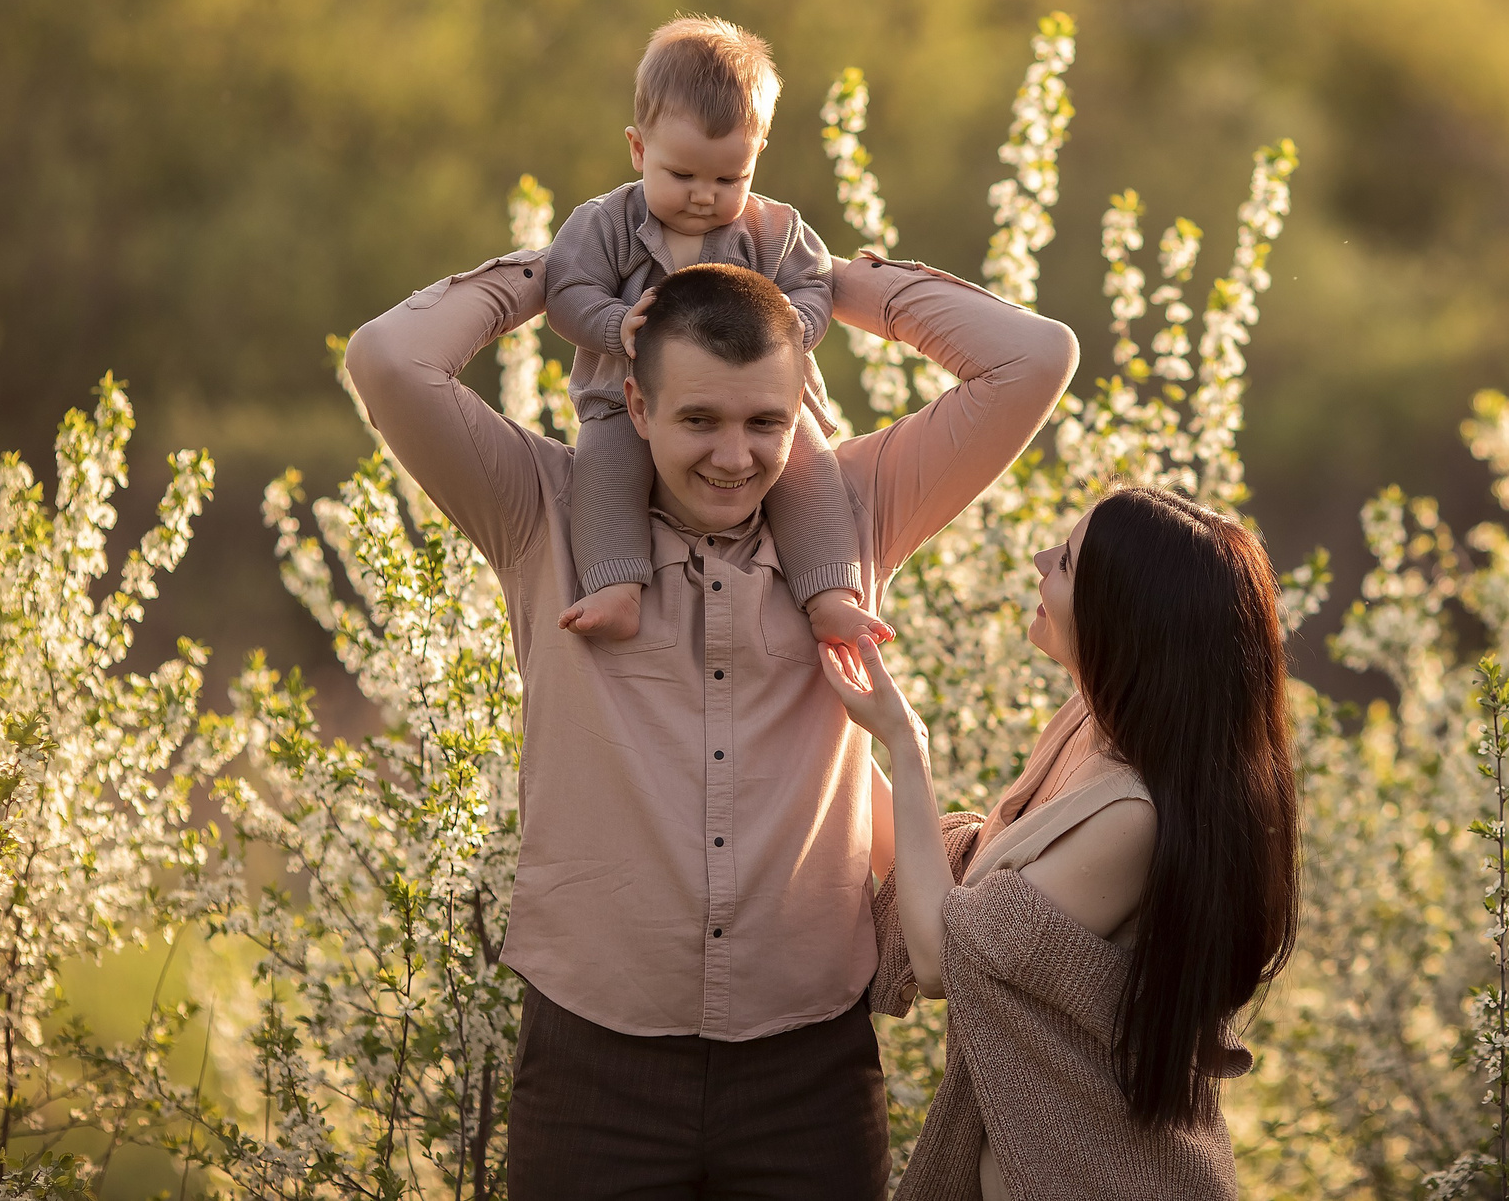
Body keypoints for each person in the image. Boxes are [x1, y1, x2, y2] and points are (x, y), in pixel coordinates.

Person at [344, 246, 1077, 1199]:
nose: (735, 458)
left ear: (800, 412)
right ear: (637, 408)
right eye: (698, 419)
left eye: (765, 422)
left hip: (806, 1068)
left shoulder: (853, 517)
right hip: (592, 1065)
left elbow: (1035, 357)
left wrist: (814, 277)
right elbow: (387, 359)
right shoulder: (541, 511)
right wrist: (576, 266)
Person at [827, 485, 1301, 1201]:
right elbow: (948, 879)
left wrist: (905, 740)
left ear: (1125, 619)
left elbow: (939, 953)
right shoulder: (1088, 725)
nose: (1040, 560)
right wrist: (824, 732)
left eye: (1069, 563)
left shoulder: (1133, 818)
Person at [542, 14, 887, 654]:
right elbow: (565, 292)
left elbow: (815, 285)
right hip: (627, 391)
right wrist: (614, 324)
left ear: (757, 160)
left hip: (760, 400)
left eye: (729, 179)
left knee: (808, 465)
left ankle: (829, 592)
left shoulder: (771, 230)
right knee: (604, 465)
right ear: (639, 150)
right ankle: (617, 585)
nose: (704, 196)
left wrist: (794, 326)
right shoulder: (608, 224)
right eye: (682, 176)